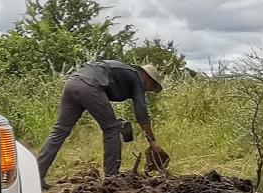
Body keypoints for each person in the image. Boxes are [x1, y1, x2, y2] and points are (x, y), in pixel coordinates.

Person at [35, 60, 167, 181]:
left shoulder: (124, 72)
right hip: (90, 87)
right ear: (147, 77)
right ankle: (111, 177)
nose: (148, 90)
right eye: (152, 86)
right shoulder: (136, 78)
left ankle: (37, 176)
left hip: (73, 82)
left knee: (60, 131)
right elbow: (141, 112)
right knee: (112, 130)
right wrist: (152, 141)